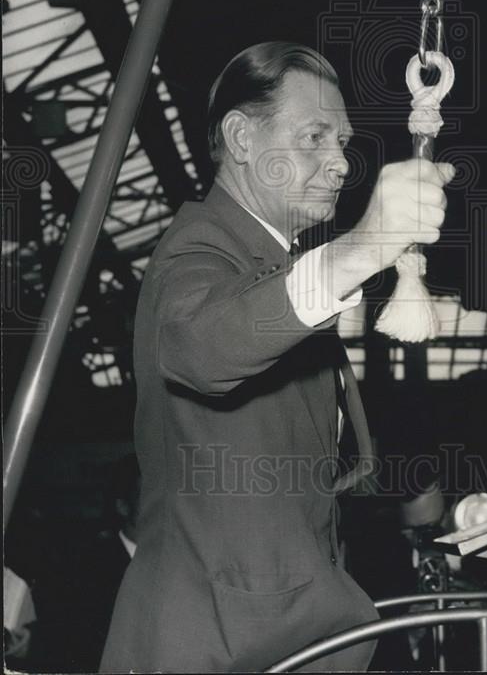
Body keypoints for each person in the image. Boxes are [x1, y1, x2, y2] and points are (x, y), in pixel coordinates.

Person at [100, 42, 453, 673]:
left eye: (341, 141)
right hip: (220, 637)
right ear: (241, 137)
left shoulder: (275, 265)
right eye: (314, 136)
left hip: (277, 625)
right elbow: (201, 347)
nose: (341, 163)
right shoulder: (199, 248)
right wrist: (366, 247)